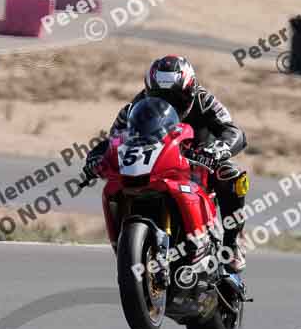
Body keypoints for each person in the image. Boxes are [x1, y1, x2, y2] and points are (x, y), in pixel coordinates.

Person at [82, 55, 249, 272]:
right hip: (157, 164)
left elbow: (233, 131)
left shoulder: (204, 100)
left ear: (189, 91)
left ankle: (232, 242)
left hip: (200, 162)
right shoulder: (135, 106)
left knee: (231, 173)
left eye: (176, 99)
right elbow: (115, 139)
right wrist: (95, 159)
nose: (168, 105)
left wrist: (218, 149)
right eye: (159, 97)